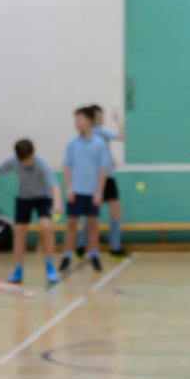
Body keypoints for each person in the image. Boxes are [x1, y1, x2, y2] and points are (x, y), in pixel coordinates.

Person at [0, 139, 60, 285]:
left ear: (32, 154)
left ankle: (50, 267)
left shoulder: (40, 163)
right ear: (18, 157)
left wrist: (57, 204)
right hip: (23, 198)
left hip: (43, 197)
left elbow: (54, 185)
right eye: (23, 160)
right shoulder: (12, 161)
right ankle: (18, 270)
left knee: (46, 227)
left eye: (29, 159)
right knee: (19, 231)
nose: (26, 163)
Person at [61, 106, 112, 273]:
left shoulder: (99, 143)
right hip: (76, 191)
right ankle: (67, 255)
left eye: (80, 119)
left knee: (92, 224)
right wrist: (68, 189)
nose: (77, 123)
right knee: (71, 223)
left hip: (92, 192)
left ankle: (94, 255)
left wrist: (99, 192)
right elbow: (67, 167)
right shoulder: (72, 144)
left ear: (89, 121)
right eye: (76, 120)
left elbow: (103, 169)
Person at [90, 104, 126, 257]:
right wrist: (117, 120)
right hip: (101, 178)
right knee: (100, 213)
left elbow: (103, 151)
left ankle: (83, 247)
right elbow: (121, 137)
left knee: (98, 212)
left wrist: (111, 157)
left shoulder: (95, 135)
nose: (100, 119)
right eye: (97, 116)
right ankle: (114, 247)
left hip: (104, 177)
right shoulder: (98, 132)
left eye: (101, 116)